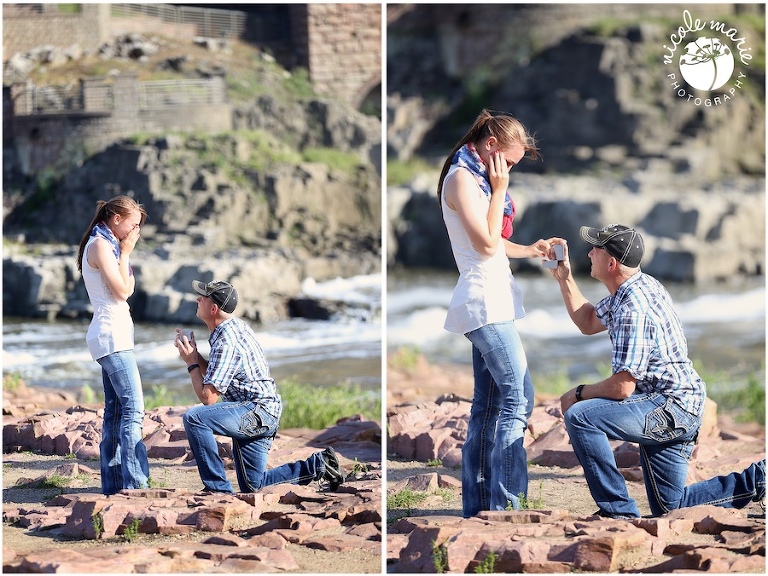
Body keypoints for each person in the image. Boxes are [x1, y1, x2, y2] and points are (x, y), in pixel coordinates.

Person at [548, 223, 765, 519]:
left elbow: (622, 388)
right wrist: (565, 279)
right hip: (678, 404)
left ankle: (618, 512)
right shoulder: (636, 286)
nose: (589, 254)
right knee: (670, 507)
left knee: (581, 416)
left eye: (595, 249)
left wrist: (578, 393)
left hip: (669, 408)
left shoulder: (632, 308)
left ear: (611, 263)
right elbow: (587, 322)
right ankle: (760, 478)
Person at [437, 109, 551, 516]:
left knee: (488, 407)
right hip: (482, 301)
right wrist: (500, 187)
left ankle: (480, 507)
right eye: (509, 163)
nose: (509, 172)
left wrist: (531, 250)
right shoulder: (461, 179)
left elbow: (492, 241)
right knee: (519, 397)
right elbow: (485, 246)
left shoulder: (477, 177)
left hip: (494, 297)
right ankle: (508, 506)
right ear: (491, 146)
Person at [174, 279, 344, 494]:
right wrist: (195, 356)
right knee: (253, 486)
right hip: (259, 411)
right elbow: (218, 375)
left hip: (255, 412)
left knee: (195, 418)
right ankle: (319, 465)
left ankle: (217, 489)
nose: (198, 299)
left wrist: (191, 364)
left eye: (203, 297)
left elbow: (209, 397)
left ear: (214, 308)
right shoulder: (233, 327)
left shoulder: (227, 339)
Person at [76, 195, 150, 495]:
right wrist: (126, 253)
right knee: (133, 409)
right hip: (111, 335)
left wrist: (124, 254)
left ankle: (114, 486)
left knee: (116, 412)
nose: (135, 232)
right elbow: (121, 292)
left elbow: (128, 288)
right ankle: (135, 485)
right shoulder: (99, 245)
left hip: (115, 335)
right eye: (133, 225)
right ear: (116, 219)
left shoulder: (112, 247)